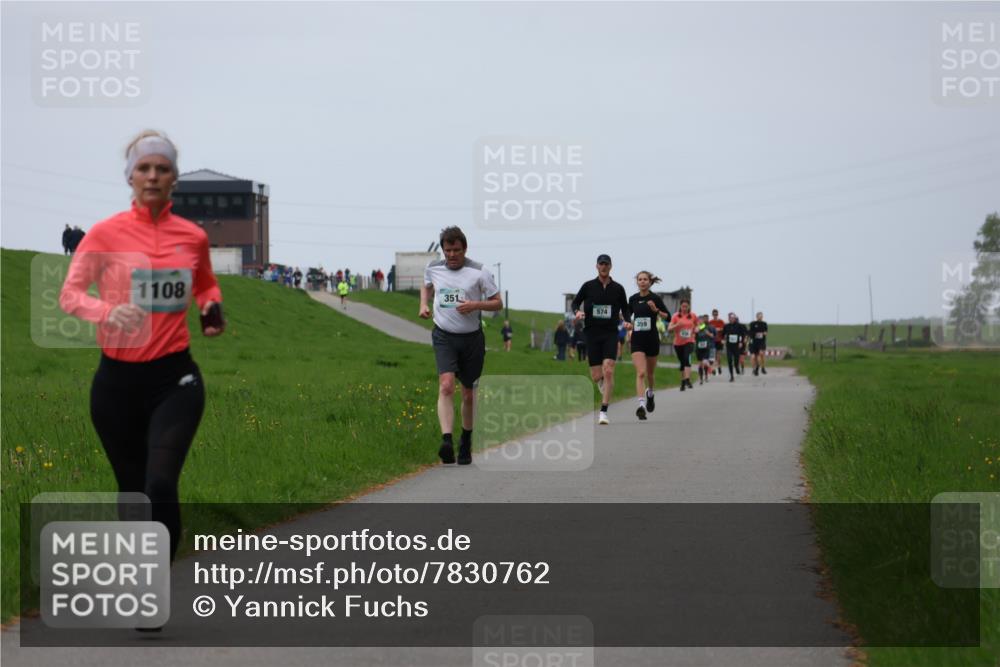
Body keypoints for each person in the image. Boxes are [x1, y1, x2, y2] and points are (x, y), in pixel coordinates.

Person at [58, 130, 224, 579]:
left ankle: (155, 578)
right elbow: (70, 296)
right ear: (130, 176)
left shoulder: (191, 237)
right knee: (133, 491)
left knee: (160, 483)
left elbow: (205, 282)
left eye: (162, 168)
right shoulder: (105, 234)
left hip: (175, 380)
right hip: (116, 384)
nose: (152, 176)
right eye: (144, 168)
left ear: (175, 178)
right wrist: (107, 311)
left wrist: (210, 306)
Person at [420, 226, 501, 465]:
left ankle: (465, 439)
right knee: (445, 386)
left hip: (472, 339)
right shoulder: (433, 268)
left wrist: (475, 305)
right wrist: (423, 305)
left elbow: (497, 303)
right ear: (443, 250)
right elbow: (426, 286)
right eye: (448, 250)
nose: (452, 255)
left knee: (468, 394)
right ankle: (446, 440)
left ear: (464, 249)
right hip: (444, 335)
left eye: (456, 250)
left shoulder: (479, 272)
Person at [571, 254, 631, 425]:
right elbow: (575, 302)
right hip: (592, 332)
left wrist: (627, 321)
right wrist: (578, 312)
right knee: (597, 375)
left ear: (611, 267)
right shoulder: (588, 286)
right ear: (596, 266)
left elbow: (625, 308)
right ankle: (605, 384)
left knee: (609, 369)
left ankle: (603, 411)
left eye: (606, 264)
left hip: (610, 332)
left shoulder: (618, 288)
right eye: (601, 264)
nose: (604, 267)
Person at [628, 271, 670, 420]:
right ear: (637, 282)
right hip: (637, 339)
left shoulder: (655, 298)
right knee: (640, 373)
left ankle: (650, 394)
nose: (643, 282)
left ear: (650, 282)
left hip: (652, 339)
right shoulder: (633, 299)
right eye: (640, 279)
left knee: (650, 374)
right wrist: (626, 322)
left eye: (645, 279)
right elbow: (628, 315)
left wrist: (656, 310)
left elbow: (668, 316)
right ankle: (641, 406)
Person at [668, 299, 698, 391]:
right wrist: (677, 325)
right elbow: (669, 328)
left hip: (689, 341)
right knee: (682, 363)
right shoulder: (676, 316)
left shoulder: (692, 316)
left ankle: (688, 379)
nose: (684, 308)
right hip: (678, 343)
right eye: (683, 306)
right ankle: (683, 382)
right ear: (680, 306)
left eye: (686, 306)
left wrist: (697, 329)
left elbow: (699, 325)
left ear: (689, 307)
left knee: (686, 358)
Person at [721, 312, 748, 382]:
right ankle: (732, 376)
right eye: (730, 318)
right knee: (729, 360)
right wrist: (723, 340)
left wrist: (741, 342)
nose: (731, 319)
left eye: (732, 318)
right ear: (728, 318)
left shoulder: (739, 326)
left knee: (736, 361)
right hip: (729, 346)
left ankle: (736, 367)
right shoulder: (726, 326)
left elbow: (743, 335)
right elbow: (723, 335)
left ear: (735, 318)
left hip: (737, 346)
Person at [694, 318, 716, 385]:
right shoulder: (696, 328)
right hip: (699, 348)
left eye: (701, 320)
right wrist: (698, 327)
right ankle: (701, 379)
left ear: (703, 321)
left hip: (706, 348)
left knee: (705, 362)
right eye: (699, 320)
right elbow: (696, 332)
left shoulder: (707, 327)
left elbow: (712, 336)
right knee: (700, 365)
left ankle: (709, 371)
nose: (700, 322)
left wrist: (708, 333)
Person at [749, 311, 769, 375]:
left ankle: (763, 367)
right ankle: (755, 369)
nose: (760, 317)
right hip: (753, 342)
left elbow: (766, 332)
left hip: (761, 342)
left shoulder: (764, 324)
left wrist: (764, 333)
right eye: (759, 316)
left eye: (761, 316)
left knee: (761, 354)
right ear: (756, 316)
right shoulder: (752, 324)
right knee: (753, 357)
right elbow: (750, 332)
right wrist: (755, 334)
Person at [709, 309, 726, 375]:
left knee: (718, 356)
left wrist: (724, 339)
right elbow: (704, 326)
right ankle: (715, 368)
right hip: (712, 341)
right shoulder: (710, 322)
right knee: (713, 356)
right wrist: (699, 327)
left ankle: (718, 367)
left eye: (716, 314)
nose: (715, 315)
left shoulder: (721, 321)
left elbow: (724, 329)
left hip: (719, 341)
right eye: (714, 314)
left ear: (717, 314)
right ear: (712, 315)